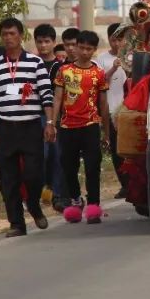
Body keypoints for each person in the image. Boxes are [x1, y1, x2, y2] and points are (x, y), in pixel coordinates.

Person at [0, 18, 54, 237]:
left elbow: (46, 95)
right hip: (5, 127)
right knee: (8, 177)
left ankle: (33, 204)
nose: (8, 38)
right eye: (4, 34)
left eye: (12, 33)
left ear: (21, 35)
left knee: (34, 173)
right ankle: (17, 223)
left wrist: (49, 122)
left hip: (31, 126)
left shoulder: (35, 63)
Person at [48, 30, 109, 222]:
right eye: (81, 47)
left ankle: (93, 206)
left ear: (94, 50)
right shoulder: (64, 71)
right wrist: (52, 123)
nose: (84, 52)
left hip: (90, 125)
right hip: (67, 126)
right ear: (76, 47)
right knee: (68, 167)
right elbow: (57, 98)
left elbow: (104, 104)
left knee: (92, 167)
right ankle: (75, 201)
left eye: (88, 49)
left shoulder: (98, 73)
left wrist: (106, 131)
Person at [34, 24, 67, 212]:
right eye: (40, 41)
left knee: (57, 155)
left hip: (57, 118)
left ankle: (58, 195)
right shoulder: (32, 65)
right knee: (42, 156)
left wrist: (54, 120)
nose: (43, 45)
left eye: (47, 41)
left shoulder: (61, 68)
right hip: (36, 116)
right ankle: (44, 190)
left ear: (54, 43)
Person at [97, 22, 130, 199]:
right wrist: (114, 68)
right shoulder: (102, 59)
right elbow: (100, 83)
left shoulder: (132, 57)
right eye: (114, 40)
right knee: (117, 150)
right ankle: (124, 184)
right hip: (111, 111)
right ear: (110, 40)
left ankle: (135, 182)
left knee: (132, 148)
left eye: (121, 40)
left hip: (129, 109)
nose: (117, 44)